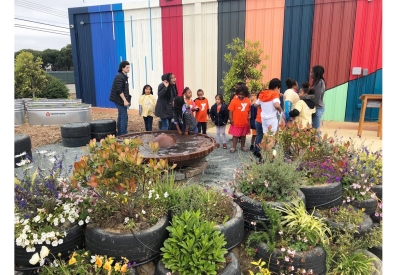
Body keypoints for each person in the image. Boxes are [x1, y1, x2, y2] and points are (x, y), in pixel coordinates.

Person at [109, 60, 131, 136]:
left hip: (120, 99)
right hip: (119, 99)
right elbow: (119, 90)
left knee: (121, 115)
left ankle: (120, 133)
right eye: (127, 68)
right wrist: (125, 100)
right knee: (124, 116)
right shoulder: (119, 77)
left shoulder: (123, 77)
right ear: (122, 68)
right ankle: (123, 133)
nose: (129, 69)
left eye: (129, 67)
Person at [228, 84, 251, 153]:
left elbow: (249, 109)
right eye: (239, 94)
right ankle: (234, 147)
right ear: (237, 93)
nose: (241, 96)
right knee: (235, 135)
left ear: (246, 94)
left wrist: (249, 115)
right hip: (236, 122)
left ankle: (242, 146)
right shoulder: (234, 100)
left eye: (243, 95)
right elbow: (230, 110)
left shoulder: (247, 100)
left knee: (243, 135)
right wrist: (230, 119)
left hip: (245, 122)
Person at [310, 65, 326, 133]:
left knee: (315, 130)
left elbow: (316, 97)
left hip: (317, 108)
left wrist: (304, 97)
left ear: (316, 73)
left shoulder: (320, 82)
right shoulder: (316, 82)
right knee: (313, 129)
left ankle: (316, 143)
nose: (310, 73)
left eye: (311, 72)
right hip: (315, 108)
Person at [253, 92, 263, 159]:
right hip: (262, 121)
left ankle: (256, 150)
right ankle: (259, 151)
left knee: (258, 136)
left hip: (257, 120)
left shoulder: (259, 102)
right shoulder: (264, 102)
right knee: (261, 136)